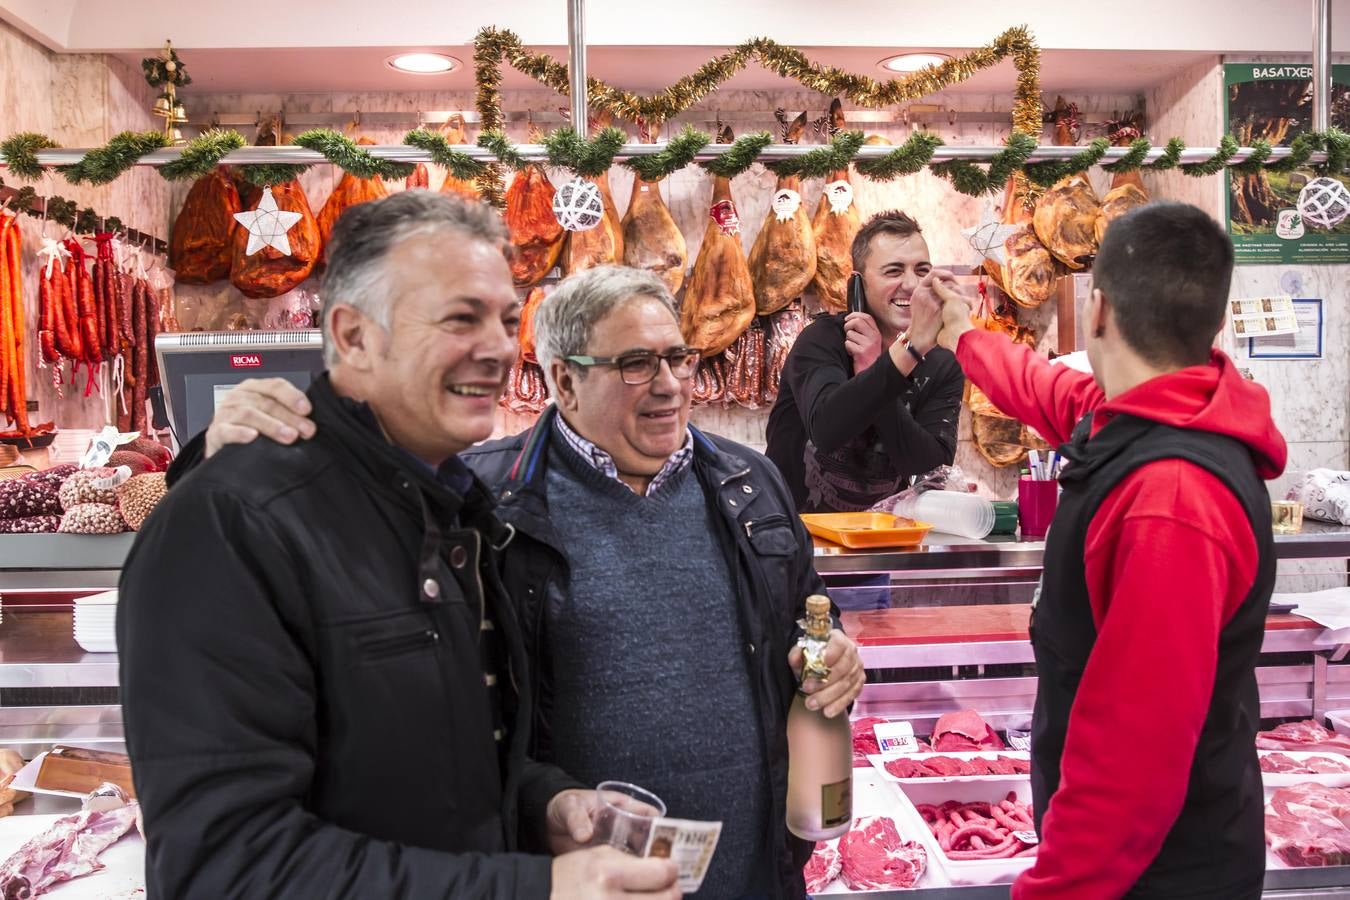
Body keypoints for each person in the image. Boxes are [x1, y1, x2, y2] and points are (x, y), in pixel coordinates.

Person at [194, 265, 866, 900]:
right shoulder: (479, 500)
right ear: (563, 382)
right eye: (635, 363)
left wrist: (833, 650)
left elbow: (809, 613)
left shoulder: (750, 484)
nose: (669, 385)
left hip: (753, 875)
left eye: (677, 357)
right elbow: (316, 563)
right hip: (564, 880)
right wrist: (222, 460)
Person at [118, 192, 679, 899]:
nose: (502, 348)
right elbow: (225, 865)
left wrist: (543, 805)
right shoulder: (233, 523)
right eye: (460, 319)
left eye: (509, 321)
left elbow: (426, 756)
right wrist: (534, 891)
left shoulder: (455, 510)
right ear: (352, 336)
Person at [917, 201, 1286, 899]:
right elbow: (1045, 388)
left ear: (1098, 312)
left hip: (1158, 872)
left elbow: (1132, 760)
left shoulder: (1172, 499)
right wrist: (962, 332)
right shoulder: (1144, 413)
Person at [765, 210, 964, 514]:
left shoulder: (940, 362)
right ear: (858, 284)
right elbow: (826, 431)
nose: (911, 285)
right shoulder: (822, 341)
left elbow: (930, 465)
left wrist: (876, 368)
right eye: (893, 271)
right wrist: (896, 363)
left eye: (922, 270)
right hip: (798, 540)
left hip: (882, 540)